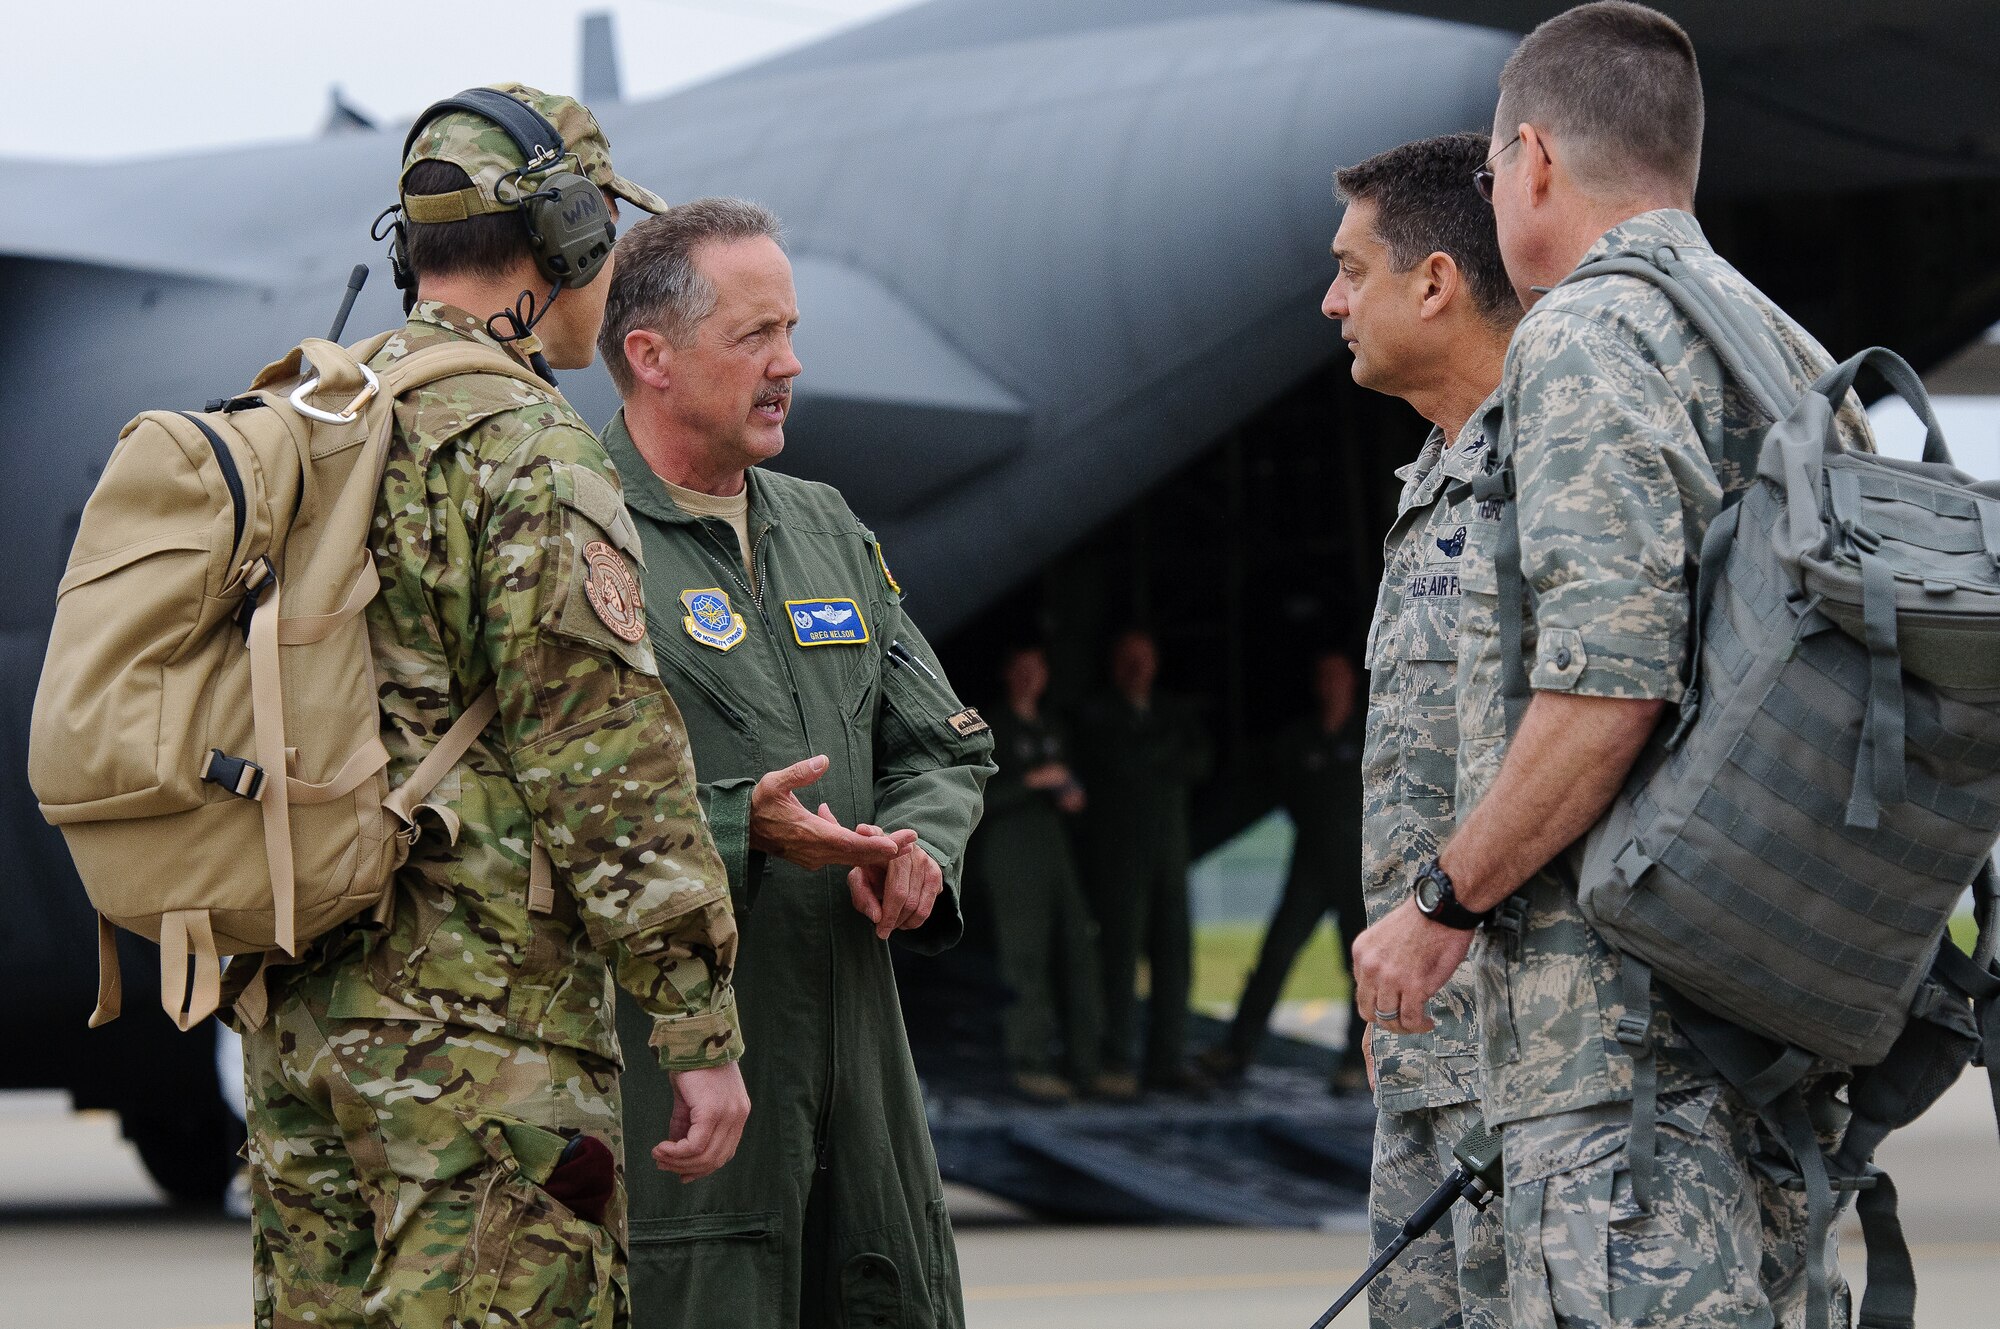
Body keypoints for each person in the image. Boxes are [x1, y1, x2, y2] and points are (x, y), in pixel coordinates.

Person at [1350, 7, 1870, 1325]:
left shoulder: (1587, 338)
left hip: (1619, 1047)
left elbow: (1610, 687)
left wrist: (1444, 905)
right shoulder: (1793, 355)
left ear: (1529, 160)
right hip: (1767, 1015)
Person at [233, 85, 750, 1329]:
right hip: (479, 1036)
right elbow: (601, 758)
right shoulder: (526, 447)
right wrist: (697, 1023)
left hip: (301, 1008)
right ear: (564, 238)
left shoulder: (306, 420)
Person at [594, 198, 996, 1329]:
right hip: (686, 1062)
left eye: (791, 331)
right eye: (755, 336)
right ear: (650, 357)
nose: (790, 363)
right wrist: (739, 826)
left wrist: (920, 848)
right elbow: (538, 802)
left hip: (860, 1067)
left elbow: (942, 744)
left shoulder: (823, 525)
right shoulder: (572, 532)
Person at [1319, 133, 1518, 1329]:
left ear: (1433, 282)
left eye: (1352, 269)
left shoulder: (1551, 463)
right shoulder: (1436, 478)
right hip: (1427, 1064)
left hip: (1530, 1066)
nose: (1330, 300)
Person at [1198, 649, 1369, 1095]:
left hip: (1357, 868)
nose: (1330, 685)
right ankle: (1237, 1049)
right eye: (1323, 676)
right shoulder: (1299, 739)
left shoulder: (1369, 733)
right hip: (1309, 865)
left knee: (1361, 964)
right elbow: (1282, 789)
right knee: (1275, 955)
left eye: (1338, 676)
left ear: (1352, 680)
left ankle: (1358, 1060)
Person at [1072, 628, 1213, 1095]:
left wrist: (1148, 754)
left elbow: (1200, 760)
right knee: (1119, 957)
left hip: (1169, 855)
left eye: (1145, 658)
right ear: (1115, 664)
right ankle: (1117, 1059)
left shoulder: (1172, 711)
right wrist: (1159, 754)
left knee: (1175, 954)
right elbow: (1114, 763)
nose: (1137, 668)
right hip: (1119, 857)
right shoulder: (1098, 713)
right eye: (1128, 658)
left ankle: (1169, 1059)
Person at [974, 643, 1106, 1103]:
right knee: (1023, 958)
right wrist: (1033, 782)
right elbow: (974, 798)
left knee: (1078, 948)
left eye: (1038, 669)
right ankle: (1028, 1062)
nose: (1030, 677)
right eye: (1022, 668)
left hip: (1055, 853)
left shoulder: (1053, 726)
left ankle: (1086, 1063)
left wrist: (1068, 794)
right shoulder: (988, 726)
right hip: (1011, 856)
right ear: (1008, 673)